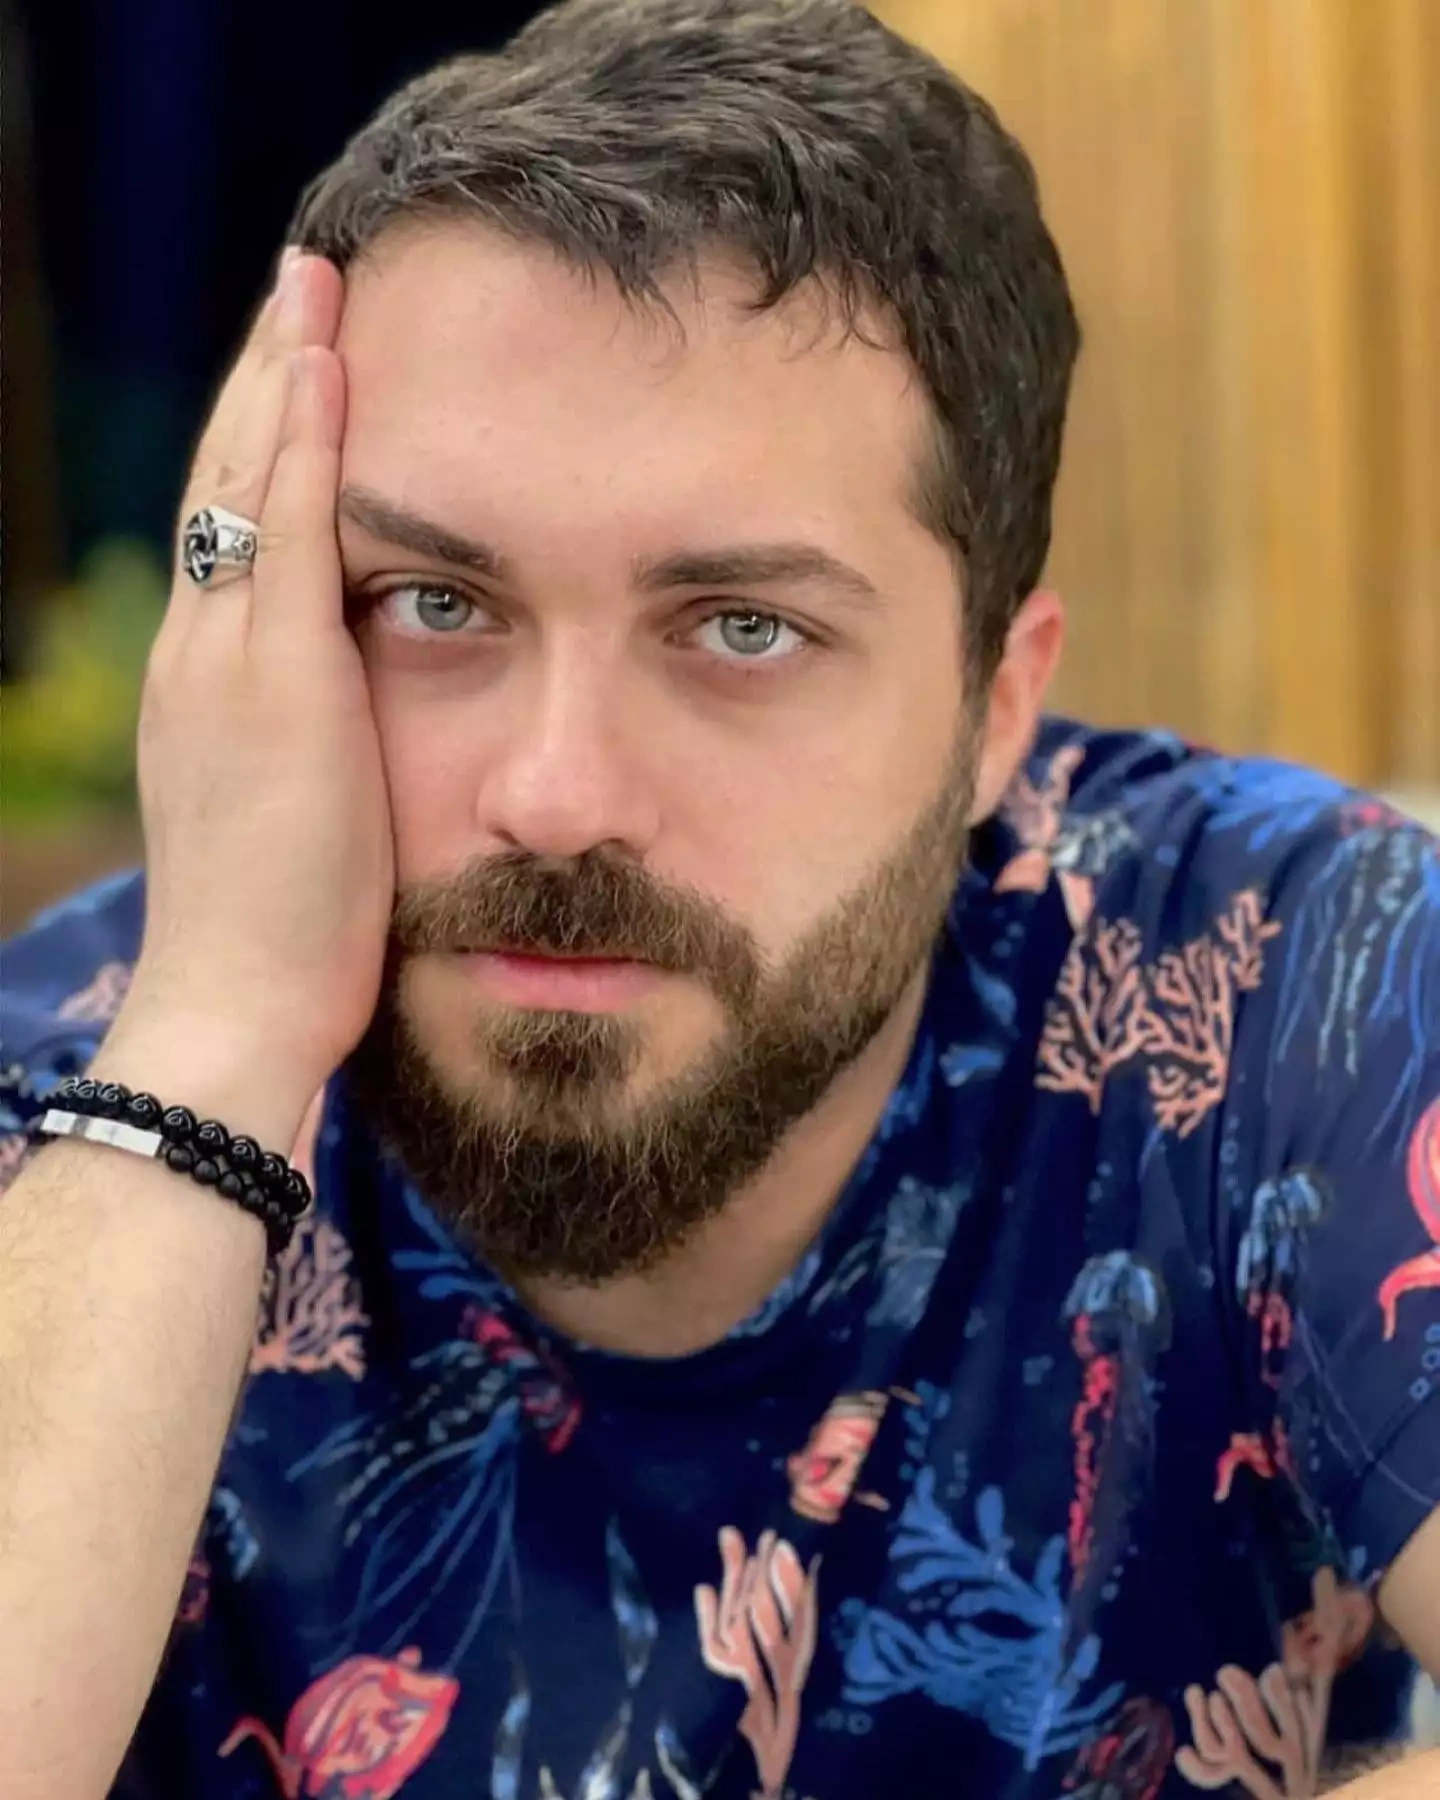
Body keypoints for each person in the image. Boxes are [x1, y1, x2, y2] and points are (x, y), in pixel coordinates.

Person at [1, 1, 1436, 1794]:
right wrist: (213, 1037)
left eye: (742, 628)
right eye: (436, 605)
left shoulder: (1291, 975)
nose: (556, 795)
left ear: (995, 709)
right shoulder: (74, 1104)